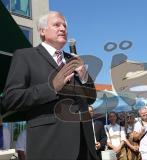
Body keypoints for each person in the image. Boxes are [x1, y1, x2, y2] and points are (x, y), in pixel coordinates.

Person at [2, 11, 98, 160]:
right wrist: (51, 87)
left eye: (65, 26)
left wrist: (84, 75)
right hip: (50, 146)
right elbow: (10, 99)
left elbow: (91, 98)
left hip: (85, 147)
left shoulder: (73, 59)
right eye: (57, 25)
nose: (63, 29)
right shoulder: (25, 56)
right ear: (42, 31)